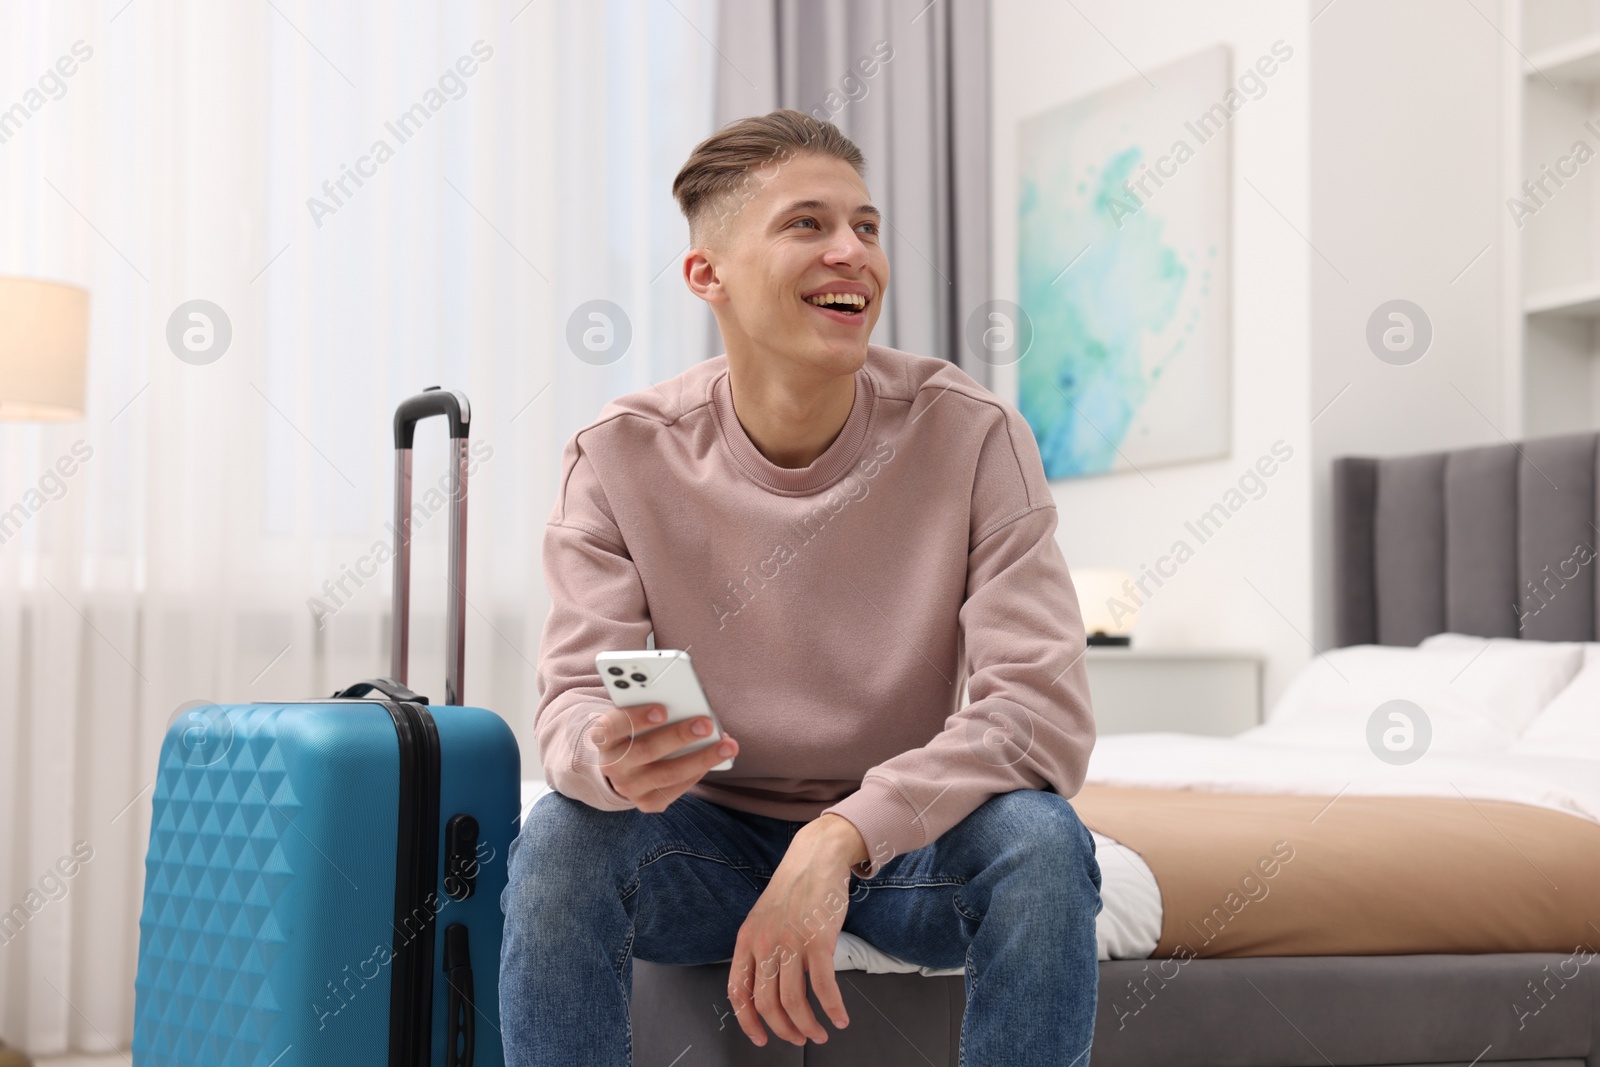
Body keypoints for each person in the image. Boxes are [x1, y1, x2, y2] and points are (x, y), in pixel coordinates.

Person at [500, 108, 1101, 1066]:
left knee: (1041, 840)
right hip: (698, 840)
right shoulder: (619, 456)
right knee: (560, 840)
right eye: (807, 225)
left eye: (865, 226)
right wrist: (609, 757)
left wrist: (835, 839)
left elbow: (1039, 717)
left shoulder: (974, 435)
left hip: (905, 844)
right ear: (709, 276)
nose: (851, 252)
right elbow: (572, 703)